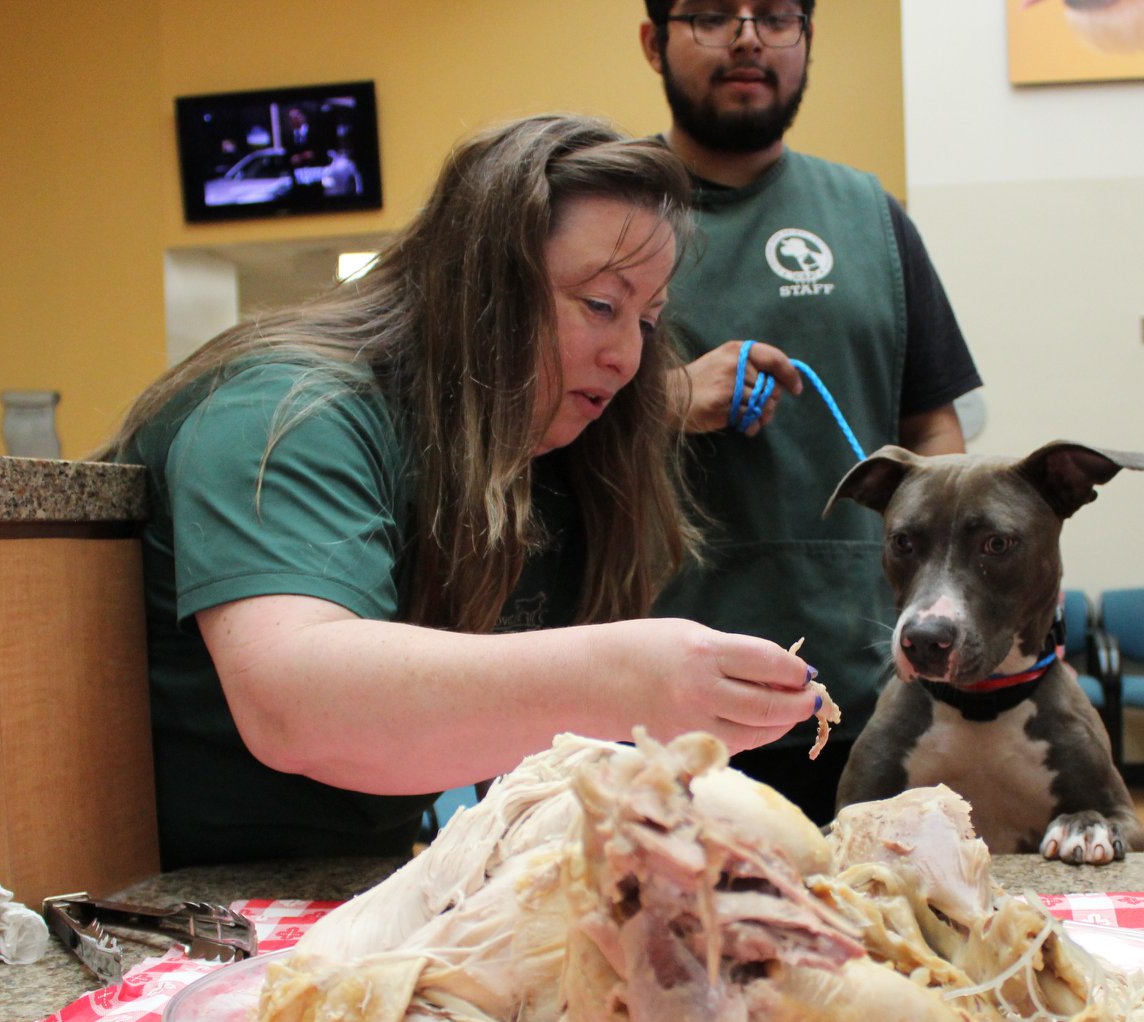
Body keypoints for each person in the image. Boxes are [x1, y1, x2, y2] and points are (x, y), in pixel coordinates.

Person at [93, 115, 829, 866]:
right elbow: (295, 706)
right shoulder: (282, 411)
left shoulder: (546, 450)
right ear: (480, 287)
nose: (630, 355)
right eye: (602, 305)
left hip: (355, 884)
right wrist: (628, 678)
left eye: (649, 318)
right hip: (162, 904)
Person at [639, 0, 982, 825]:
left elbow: (936, 436)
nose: (750, 36)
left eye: (778, 15)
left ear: (809, 39)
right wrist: (669, 400)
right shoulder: (603, 210)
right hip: (653, 713)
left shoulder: (870, 219)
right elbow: (515, 428)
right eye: (714, 14)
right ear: (654, 41)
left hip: (860, 700)